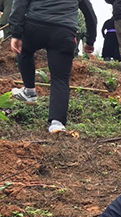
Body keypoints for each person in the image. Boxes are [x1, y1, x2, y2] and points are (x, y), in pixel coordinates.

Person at [9, 0, 97, 134]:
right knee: (60, 79)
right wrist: (90, 40)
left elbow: (20, 4)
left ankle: (29, 91)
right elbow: (90, 14)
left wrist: (16, 33)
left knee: (24, 50)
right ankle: (57, 123)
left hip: (35, 25)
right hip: (64, 31)